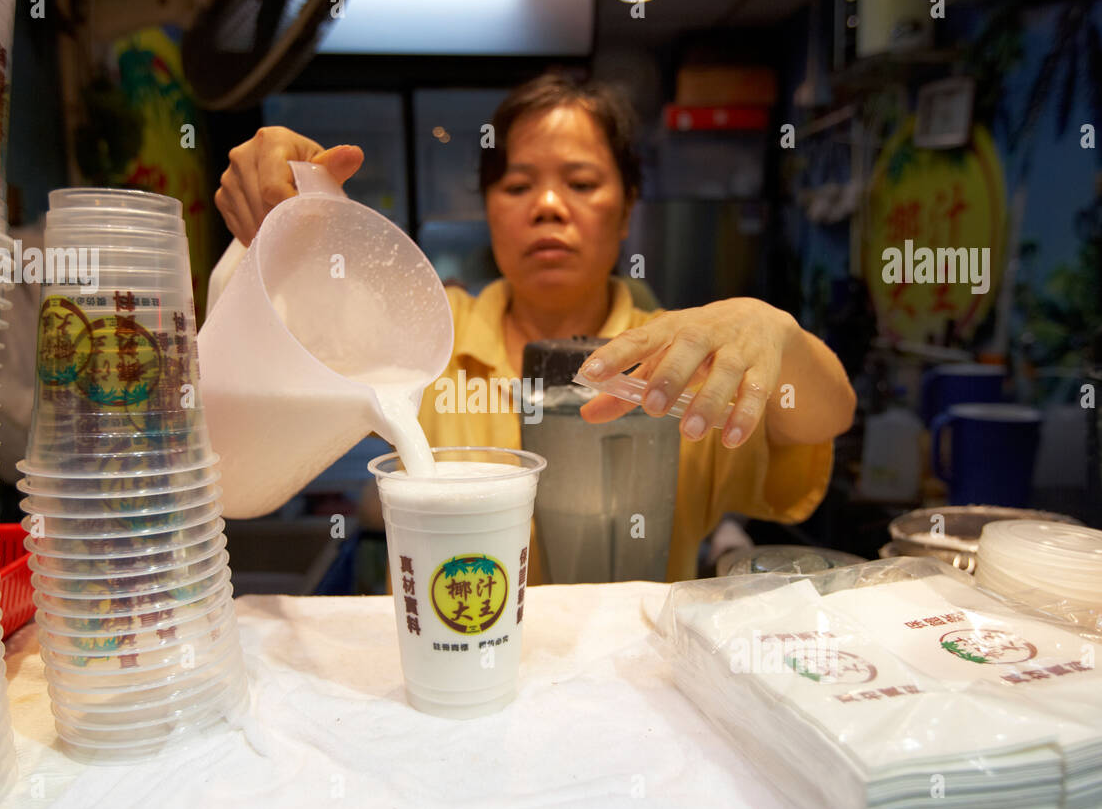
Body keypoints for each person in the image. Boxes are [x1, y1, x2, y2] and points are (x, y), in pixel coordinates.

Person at [215, 74, 856, 581]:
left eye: (581, 182)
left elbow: (826, 417)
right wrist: (292, 216)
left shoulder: (684, 359)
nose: (549, 206)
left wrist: (777, 332)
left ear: (628, 207)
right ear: (488, 208)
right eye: (518, 185)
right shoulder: (420, 346)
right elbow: (245, 427)